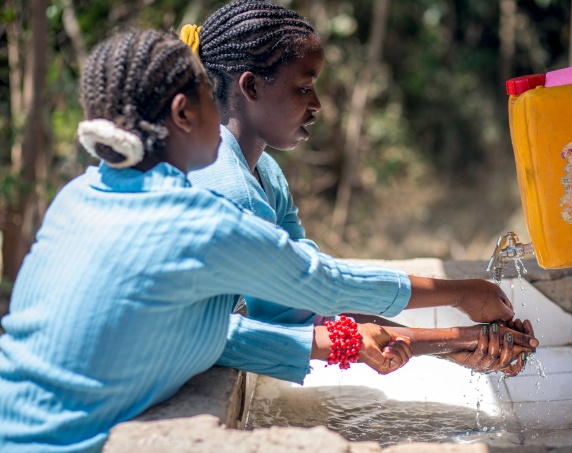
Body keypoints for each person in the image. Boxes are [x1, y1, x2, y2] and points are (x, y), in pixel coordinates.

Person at [0, 28, 531, 452]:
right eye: (212, 94)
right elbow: (321, 283)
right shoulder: (201, 221)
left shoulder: (76, 195)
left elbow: (216, 335)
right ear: (185, 113)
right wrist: (462, 293)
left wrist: (419, 341)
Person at [182, 0, 538, 374]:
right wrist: (463, 296)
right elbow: (317, 287)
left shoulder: (265, 176)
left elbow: (297, 307)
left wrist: (455, 343)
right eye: (304, 88)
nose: (317, 104)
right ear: (251, 86)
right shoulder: (226, 183)